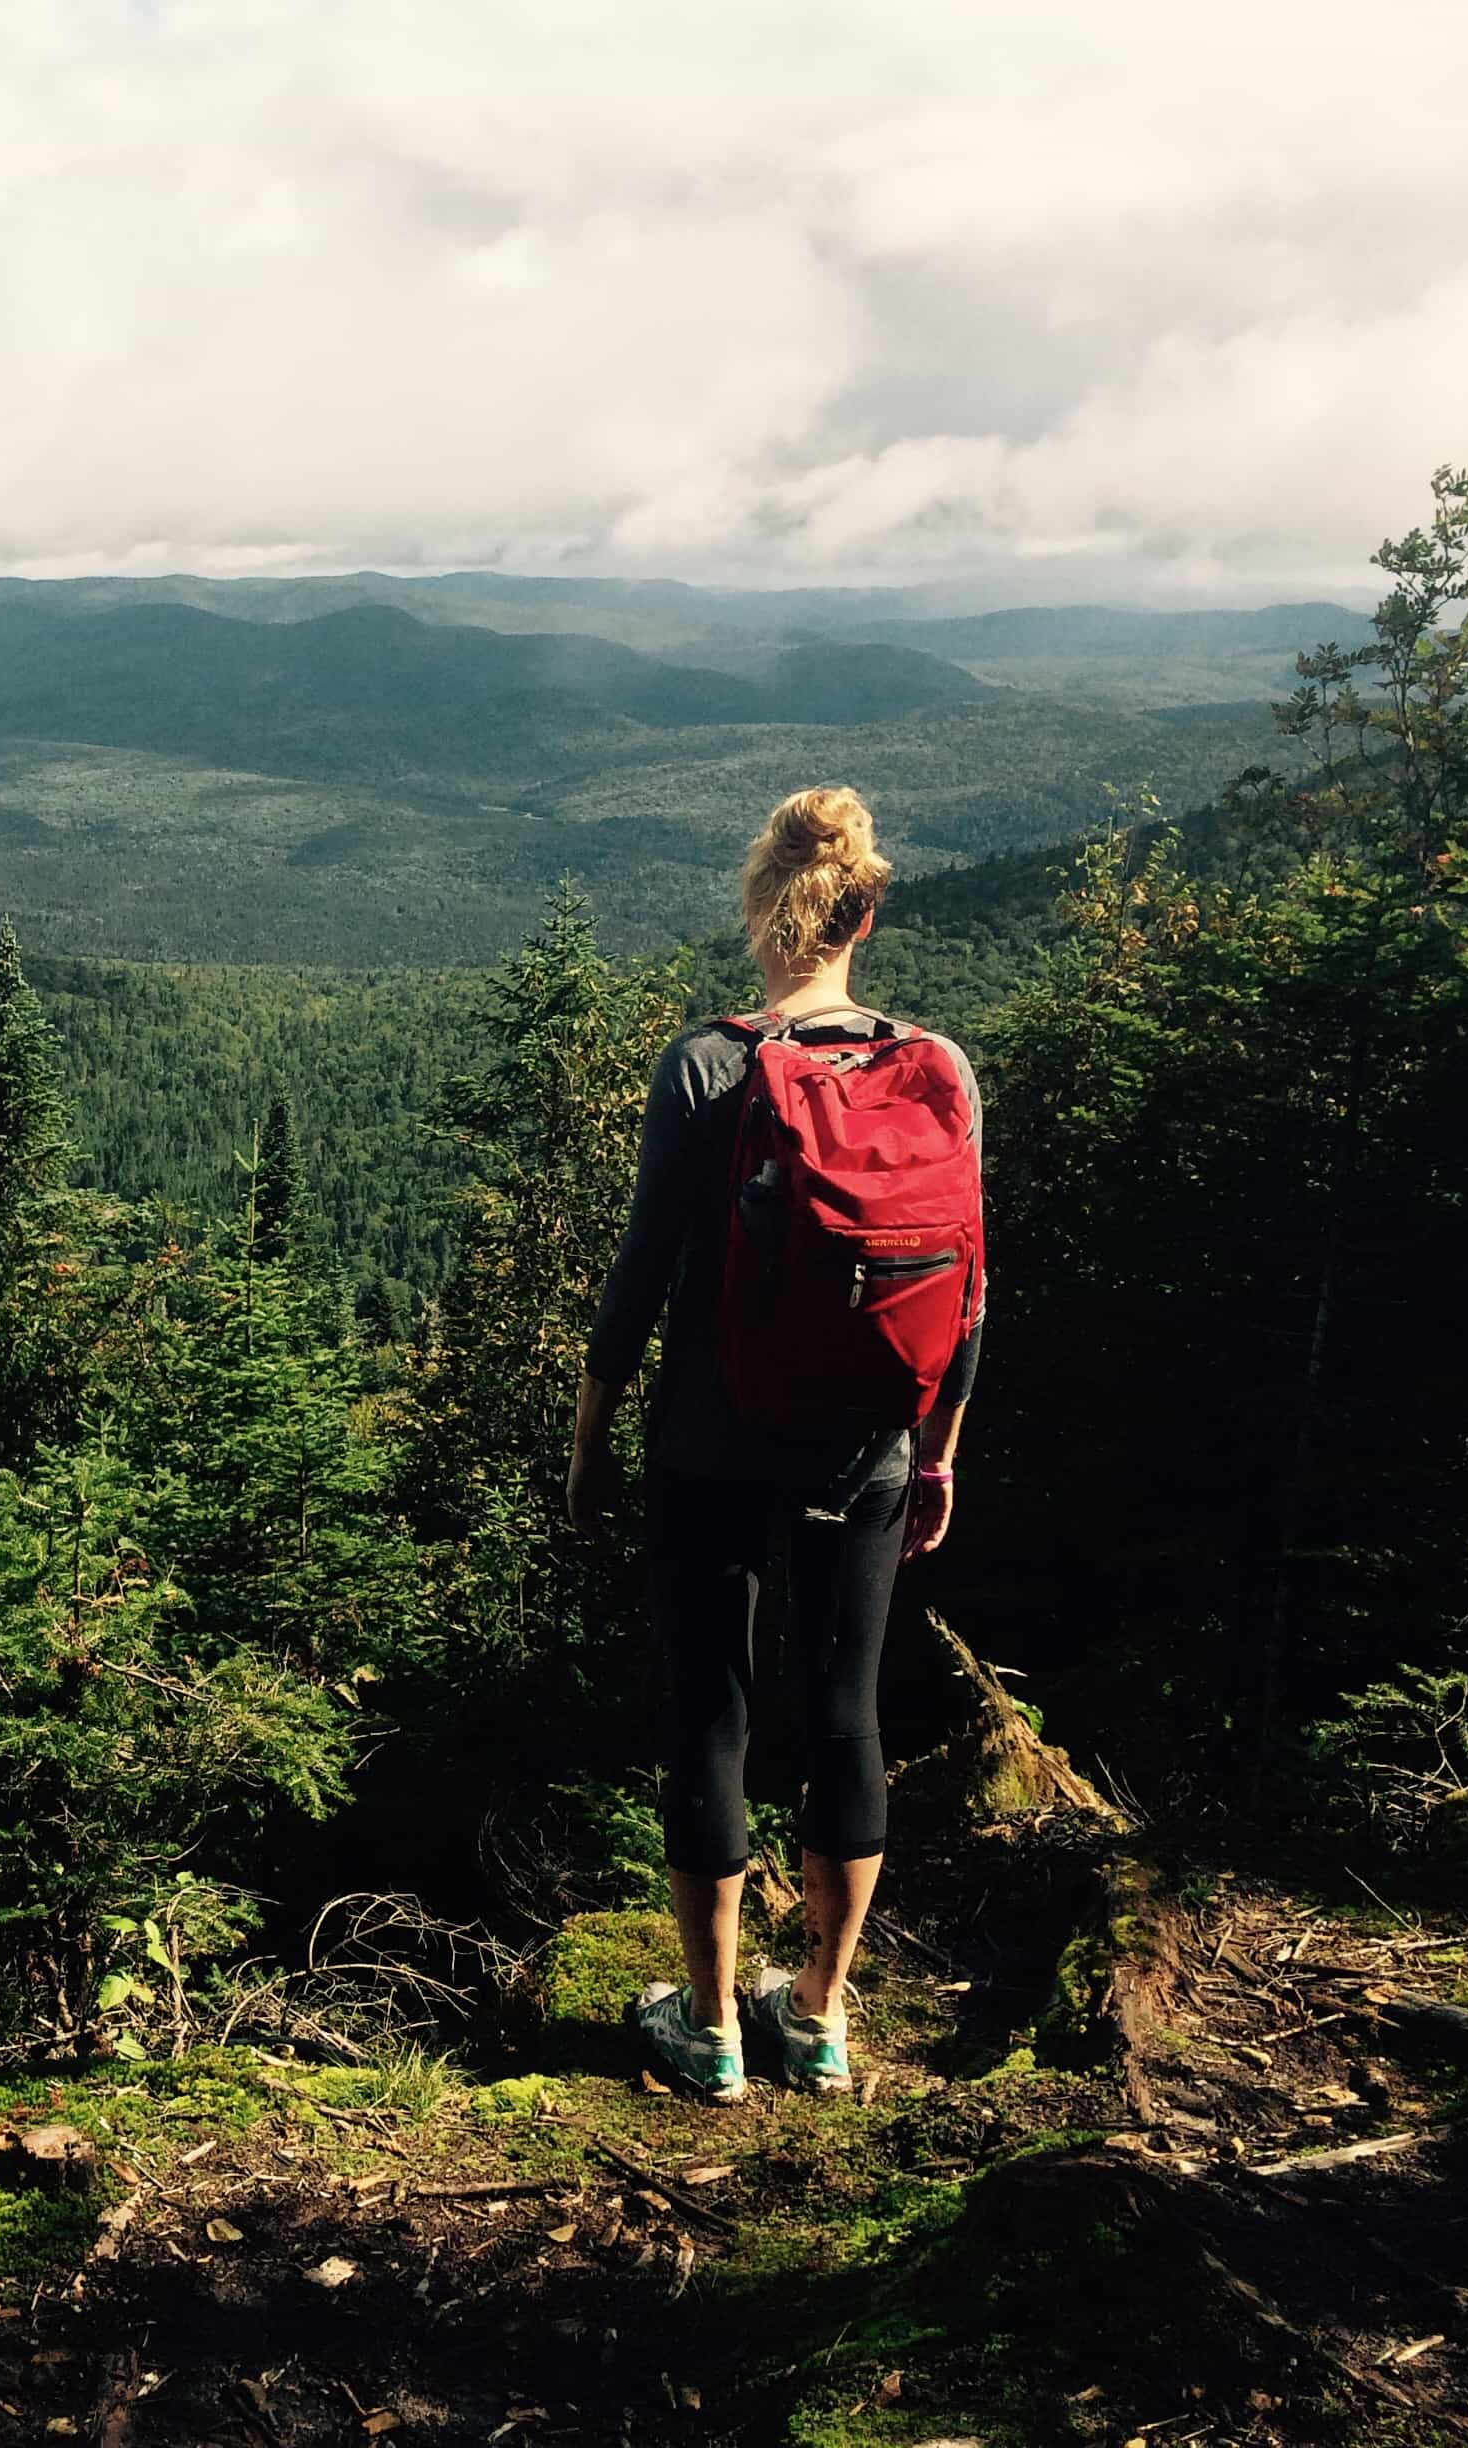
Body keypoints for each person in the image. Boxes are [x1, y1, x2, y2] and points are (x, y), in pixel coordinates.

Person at [563, 785, 982, 2103]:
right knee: (845, 1715)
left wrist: (589, 1436)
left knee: (711, 1717)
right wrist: (937, 1453)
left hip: (710, 1445)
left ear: (762, 911)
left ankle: (710, 2025)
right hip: (868, 1449)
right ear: (868, 912)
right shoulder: (941, 1068)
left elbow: (640, 1279)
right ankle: (819, 2013)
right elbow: (965, 1293)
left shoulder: (708, 1065)